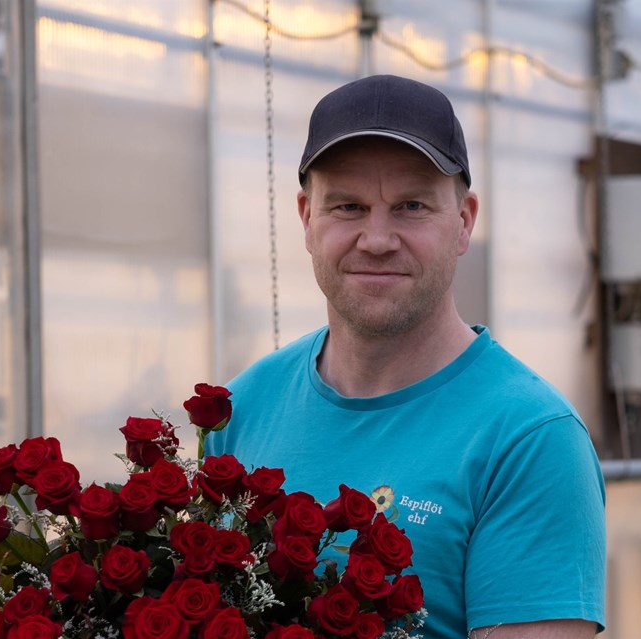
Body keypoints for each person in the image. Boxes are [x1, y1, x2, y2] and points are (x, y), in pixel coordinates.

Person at [205, 74, 606, 639]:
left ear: (464, 222)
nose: (376, 238)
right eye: (348, 206)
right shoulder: (243, 407)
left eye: (411, 206)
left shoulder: (529, 440)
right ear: (306, 219)